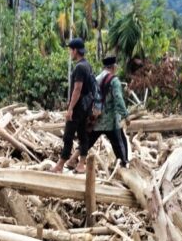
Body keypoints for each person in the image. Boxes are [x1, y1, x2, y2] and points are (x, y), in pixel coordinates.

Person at [52, 38, 96, 173]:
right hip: (86, 107)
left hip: (77, 108)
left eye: (70, 50)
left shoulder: (79, 67)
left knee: (68, 136)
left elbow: (77, 89)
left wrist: (70, 108)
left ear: (75, 50)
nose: (70, 53)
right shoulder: (87, 65)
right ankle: (81, 165)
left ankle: (59, 166)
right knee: (83, 136)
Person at [91, 55, 129, 167]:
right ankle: (124, 164)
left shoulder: (97, 79)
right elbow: (118, 99)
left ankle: (73, 159)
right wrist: (126, 115)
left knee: (88, 142)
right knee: (120, 143)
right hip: (111, 121)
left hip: (97, 119)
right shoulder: (114, 80)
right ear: (113, 67)